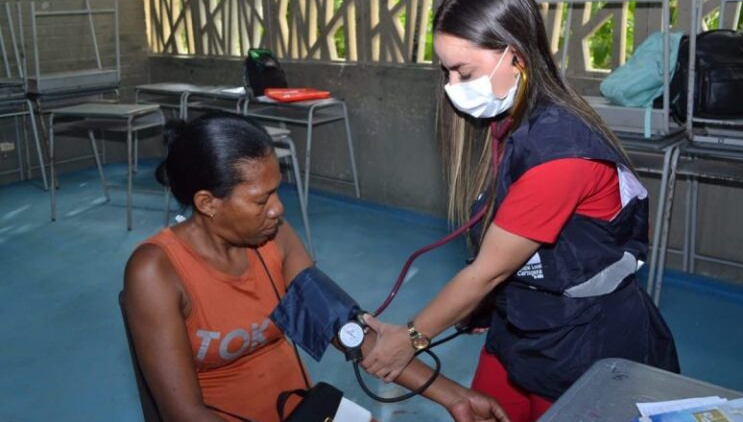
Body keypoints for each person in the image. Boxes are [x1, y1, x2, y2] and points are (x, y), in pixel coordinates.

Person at [360, 0, 681, 422]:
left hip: (581, 340)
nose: (453, 86)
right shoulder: (512, 122)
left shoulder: (560, 151)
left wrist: (410, 338)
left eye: (464, 72)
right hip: (524, 320)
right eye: (446, 71)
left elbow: (489, 271)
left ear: (515, 56)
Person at [122, 114, 510, 422]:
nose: (278, 209)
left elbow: (347, 332)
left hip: (304, 410)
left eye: (277, 190)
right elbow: (184, 414)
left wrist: (456, 397)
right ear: (207, 203)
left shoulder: (272, 236)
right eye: (261, 200)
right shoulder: (156, 271)